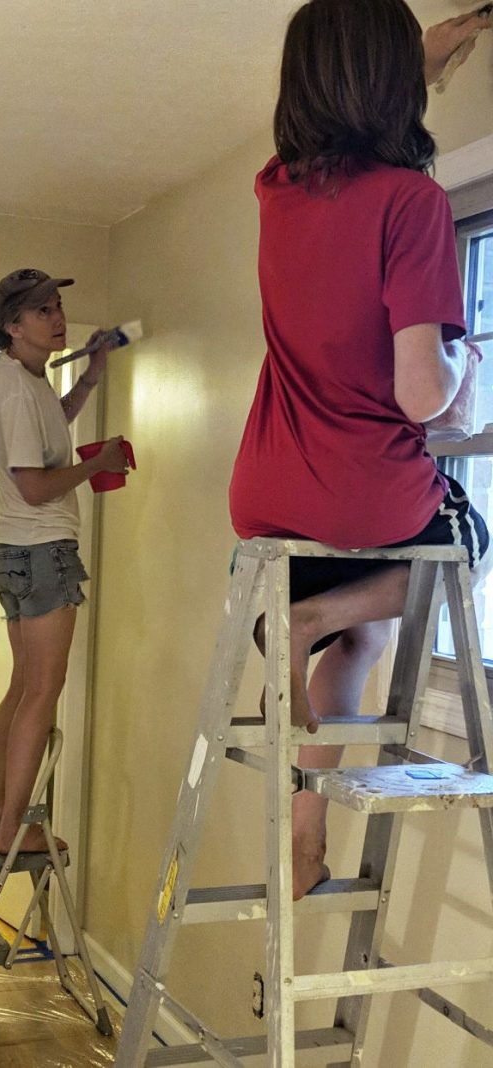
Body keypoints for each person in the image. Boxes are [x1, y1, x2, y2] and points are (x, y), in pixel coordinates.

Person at [229, 0, 491, 900]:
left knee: (362, 630)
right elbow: (423, 394)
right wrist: (464, 363)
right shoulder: (413, 202)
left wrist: (417, 57)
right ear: (390, 85)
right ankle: (305, 623)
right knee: (473, 537)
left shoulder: (275, 190)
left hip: (269, 487)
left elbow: (348, 125)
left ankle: (305, 831)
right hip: (360, 495)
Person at [0, 268, 130, 853]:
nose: (58, 317)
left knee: (23, 687)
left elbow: (46, 429)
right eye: (42, 311)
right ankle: (15, 826)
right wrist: (101, 462)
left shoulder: (21, 375)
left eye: (58, 305)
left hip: (16, 549)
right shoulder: (16, 387)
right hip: (40, 549)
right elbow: (37, 486)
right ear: (13, 326)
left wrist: (90, 378)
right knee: (44, 689)